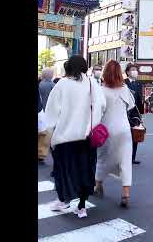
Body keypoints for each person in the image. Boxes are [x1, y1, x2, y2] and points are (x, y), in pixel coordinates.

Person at [45, 55, 106, 219]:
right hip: (87, 137)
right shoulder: (92, 83)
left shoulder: (62, 84)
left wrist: (50, 130)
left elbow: (51, 111)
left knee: (63, 170)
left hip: (65, 137)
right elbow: (101, 105)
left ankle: (63, 200)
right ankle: (82, 207)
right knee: (85, 171)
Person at [95, 60, 136, 208]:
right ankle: (125, 193)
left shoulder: (100, 90)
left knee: (102, 158)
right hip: (124, 130)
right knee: (125, 161)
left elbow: (97, 111)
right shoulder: (125, 89)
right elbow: (131, 107)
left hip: (106, 130)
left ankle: (98, 185)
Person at [124, 63, 144, 164]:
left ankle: (132, 157)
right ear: (127, 72)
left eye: (136, 70)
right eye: (132, 69)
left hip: (135, 114)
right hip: (125, 113)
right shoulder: (123, 83)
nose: (135, 72)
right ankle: (124, 158)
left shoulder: (139, 84)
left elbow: (139, 100)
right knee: (126, 136)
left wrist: (141, 114)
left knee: (136, 135)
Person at [38, 68, 55, 163]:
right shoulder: (53, 85)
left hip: (41, 110)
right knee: (45, 134)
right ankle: (42, 153)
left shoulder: (40, 84)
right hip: (48, 112)